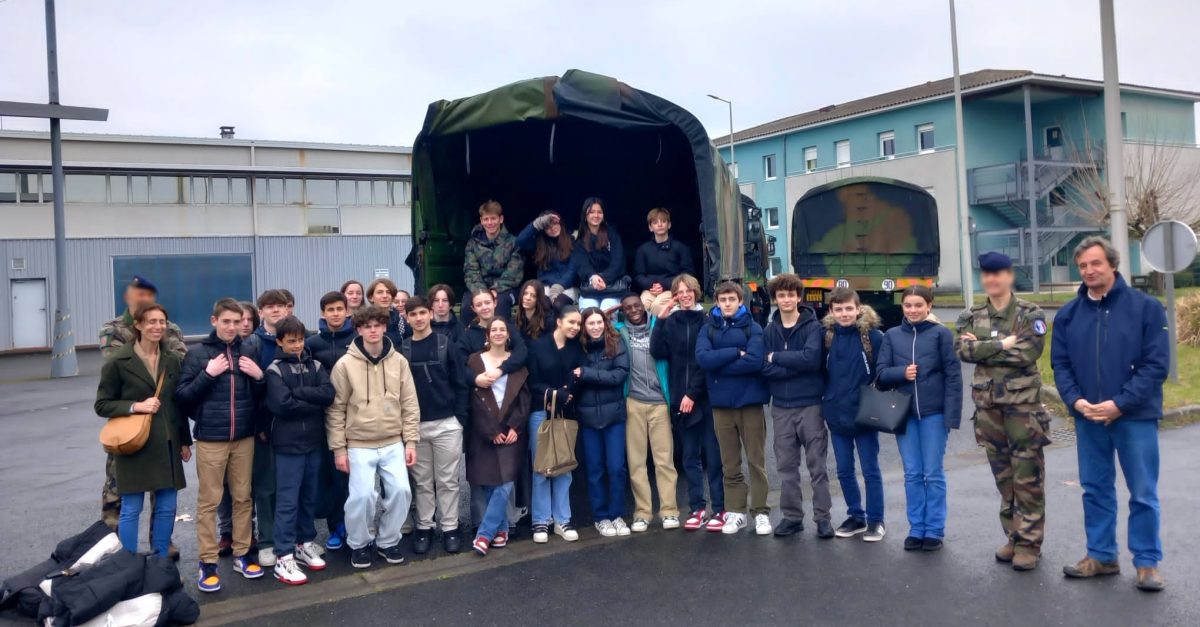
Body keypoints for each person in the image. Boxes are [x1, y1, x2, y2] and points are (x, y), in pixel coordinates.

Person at [1052, 237, 1169, 592]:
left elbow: (1156, 365)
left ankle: (1147, 563)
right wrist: (1075, 401)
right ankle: (1101, 555)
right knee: (1095, 489)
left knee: (1143, 492)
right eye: (1083, 265)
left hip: (1133, 416)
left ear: (1113, 265)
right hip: (1089, 418)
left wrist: (1120, 403)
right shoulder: (1069, 314)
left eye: (1096, 263)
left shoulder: (1146, 308)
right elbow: (1061, 364)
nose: (1089, 270)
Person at [955, 252, 1049, 571]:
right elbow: (963, 350)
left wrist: (986, 348)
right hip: (988, 407)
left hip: (1023, 409)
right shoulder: (971, 314)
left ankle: (1029, 544)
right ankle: (1013, 535)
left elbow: (1029, 351)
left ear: (1009, 276)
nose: (992, 279)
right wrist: (1003, 344)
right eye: (987, 274)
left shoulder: (1029, 312)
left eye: (998, 273)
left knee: (1028, 476)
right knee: (1004, 477)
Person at [176, 298, 266, 593]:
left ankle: (242, 554)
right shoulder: (198, 354)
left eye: (236, 322)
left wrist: (259, 377)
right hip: (212, 440)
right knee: (209, 502)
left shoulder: (250, 349)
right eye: (225, 321)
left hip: (244, 437)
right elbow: (183, 396)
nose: (232, 327)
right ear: (214, 321)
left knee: (243, 498)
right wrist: (208, 374)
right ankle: (208, 563)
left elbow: (259, 395)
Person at [97, 275, 187, 558]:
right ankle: (127, 565)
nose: (157, 327)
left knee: (166, 507)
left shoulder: (172, 359)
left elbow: (176, 403)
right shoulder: (118, 360)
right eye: (151, 322)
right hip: (134, 441)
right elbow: (102, 404)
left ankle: (160, 561)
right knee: (130, 509)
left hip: (166, 442)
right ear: (137, 325)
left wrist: (184, 440)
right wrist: (135, 407)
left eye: (161, 322)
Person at [326, 305, 421, 570]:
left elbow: (410, 403)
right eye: (367, 326)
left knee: (402, 492)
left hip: (392, 441)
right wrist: (339, 450)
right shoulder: (345, 365)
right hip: (358, 444)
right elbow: (335, 410)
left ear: (384, 327)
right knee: (362, 497)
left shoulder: (399, 362)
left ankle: (388, 541)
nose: (373, 330)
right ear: (358, 329)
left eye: (377, 325)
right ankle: (359, 544)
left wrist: (410, 440)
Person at [877, 285, 962, 553]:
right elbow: (880, 375)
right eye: (908, 305)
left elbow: (953, 377)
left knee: (932, 473)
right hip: (905, 414)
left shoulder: (941, 335)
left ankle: (934, 529)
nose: (913, 310)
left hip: (933, 414)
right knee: (912, 473)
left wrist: (952, 415)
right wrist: (901, 373)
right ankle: (916, 528)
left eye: (918, 305)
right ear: (902, 307)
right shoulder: (891, 336)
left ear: (929, 306)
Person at [695, 282, 771, 536]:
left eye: (732, 299)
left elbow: (754, 362)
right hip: (721, 405)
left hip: (750, 403)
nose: (727, 303)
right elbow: (703, 359)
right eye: (723, 299)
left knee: (756, 461)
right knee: (729, 463)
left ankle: (760, 512)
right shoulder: (708, 329)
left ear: (740, 301)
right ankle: (736, 511)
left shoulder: (754, 327)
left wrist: (721, 364)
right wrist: (734, 353)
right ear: (716, 302)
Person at [651, 274, 725, 532]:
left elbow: (704, 361)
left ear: (696, 292)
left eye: (688, 290)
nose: (684, 295)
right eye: (679, 292)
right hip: (679, 400)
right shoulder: (670, 321)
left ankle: (719, 509)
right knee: (689, 457)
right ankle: (697, 508)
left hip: (702, 397)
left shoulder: (707, 321)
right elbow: (657, 352)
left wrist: (692, 394)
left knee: (713, 456)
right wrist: (660, 320)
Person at [264, 316, 335, 585]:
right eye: (291, 340)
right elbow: (282, 405)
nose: (296, 345)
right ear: (280, 341)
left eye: (300, 339)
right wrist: (311, 397)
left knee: (309, 496)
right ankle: (283, 555)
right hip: (287, 446)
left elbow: (328, 394)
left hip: (314, 442)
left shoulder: (315, 364)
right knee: (287, 501)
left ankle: (303, 542)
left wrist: (301, 395)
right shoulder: (274, 370)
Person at [761, 273, 832, 539]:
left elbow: (812, 360)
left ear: (799, 297)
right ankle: (792, 517)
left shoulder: (814, 328)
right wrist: (793, 365)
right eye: (781, 295)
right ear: (775, 299)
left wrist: (777, 357)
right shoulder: (769, 330)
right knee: (786, 467)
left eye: (791, 294)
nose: (787, 299)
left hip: (810, 406)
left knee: (817, 467)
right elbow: (764, 368)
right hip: (781, 407)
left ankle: (823, 518)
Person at [401, 296, 468, 555]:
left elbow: (460, 383)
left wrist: (459, 419)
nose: (418, 318)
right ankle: (425, 527)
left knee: (449, 480)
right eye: (412, 314)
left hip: (447, 423)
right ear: (407, 318)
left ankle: (450, 527)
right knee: (422, 482)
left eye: (421, 313)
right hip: (416, 426)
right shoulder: (403, 350)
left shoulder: (446, 345)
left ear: (430, 314)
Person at [820, 287, 886, 543]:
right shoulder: (827, 337)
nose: (844, 313)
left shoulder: (873, 337)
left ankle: (876, 520)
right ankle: (855, 516)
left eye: (849, 308)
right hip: (836, 414)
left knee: (870, 470)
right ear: (831, 311)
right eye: (839, 309)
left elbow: (883, 372)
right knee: (844, 471)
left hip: (865, 415)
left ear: (858, 309)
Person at [467, 319, 532, 556]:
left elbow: (524, 398)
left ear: (508, 335)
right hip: (484, 430)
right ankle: (502, 528)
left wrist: (515, 426)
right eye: (493, 329)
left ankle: (484, 535)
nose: (497, 333)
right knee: (488, 481)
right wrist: (490, 430)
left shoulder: (516, 362)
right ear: (487, 334)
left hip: (511, 430)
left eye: (502, 330)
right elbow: (473, 399)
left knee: (505, 483)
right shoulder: (475, 361)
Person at [616, 294, 678, 532]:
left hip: (660, 402)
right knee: (636, 462)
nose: (633, 310)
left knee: (664, 461)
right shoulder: (619, 331)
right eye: (627, 307)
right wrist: (610, 312)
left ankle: (669, 511)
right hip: (633, 401)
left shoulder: (659, 326)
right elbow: (592, 325)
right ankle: (642, 513)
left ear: (644, 306)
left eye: (636, 306)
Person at [525, 306, 585, 543]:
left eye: (578, 324)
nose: (576, 327)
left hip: (566, 413)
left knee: (564, 466)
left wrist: (566, 394)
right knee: (541, 466)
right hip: (540, 412)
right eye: (571, 322)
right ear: (559, 321)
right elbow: (533, 381)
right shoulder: (538, 346)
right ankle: (540, 520)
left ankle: (563, 519)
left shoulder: (576, 348)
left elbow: (577, 378)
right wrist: (553, 394)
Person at [304, 291, 357, 551]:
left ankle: (356, 525)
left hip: (357, 418)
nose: (335, 314)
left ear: (348, 311)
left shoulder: (357, 339)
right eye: (330, 310)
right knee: (331, 477)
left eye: (339, 309)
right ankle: (336, 527)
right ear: (323, 313)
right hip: (323, 419)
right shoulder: (312, 343)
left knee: (354, 478)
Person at [242, 289, 291, 568]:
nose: (275, 311)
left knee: (292, 485)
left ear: (288, 309)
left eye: (279, 306)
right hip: (263, 427)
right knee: (266, 486)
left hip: (294, 426)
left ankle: (293, 538)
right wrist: (259, 423)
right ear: (261, 312)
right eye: (268, 307)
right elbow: (250, 391)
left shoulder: (299, 339)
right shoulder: (251, 344)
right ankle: (268, 541)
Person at [574, 307, 632, 537]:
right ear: (584, 327)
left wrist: (587, 374)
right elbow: (573, 376)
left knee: (617, 468)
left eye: (599, 322)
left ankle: (616, 514)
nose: (596, 327)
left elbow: (619, 375)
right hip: (588, 418)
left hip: (614, 416)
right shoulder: (578, 348)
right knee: (595, 470)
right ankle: (600, 517)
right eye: (591, 323)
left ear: (605, 323)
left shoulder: (616, 344)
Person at [462, 200, 524, 321]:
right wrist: (482, 292)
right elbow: (471, 271)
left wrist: (495, 290)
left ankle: (501, 337)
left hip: (505, 289)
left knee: (500, 305)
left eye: (493, 218)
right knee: (466, 306)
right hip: (480, 287)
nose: (490, 223)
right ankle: (469, 338)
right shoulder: (472, 243)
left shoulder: (514, 242)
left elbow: (513, 273)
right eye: (486, 219)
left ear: (501, 219)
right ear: (481, 221)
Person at [459, 288, 529, 385]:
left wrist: (501, 369)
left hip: (509, 387)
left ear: (495, 303)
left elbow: (522, 351)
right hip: (480, 392)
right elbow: (458, 364)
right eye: (479, 305)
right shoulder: (467, 336)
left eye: (487, 303)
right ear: (473, 308)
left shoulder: (508, 329)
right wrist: (474, 378)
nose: (484, 307)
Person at [634, 207, 694, 317]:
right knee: (642, 305)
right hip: (650, 290)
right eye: (655, 222)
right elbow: (638, 275)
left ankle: (659, 332)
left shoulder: (680, 248)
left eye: (663, 221)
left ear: (669, 225)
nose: (660, 224)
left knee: (657, 305)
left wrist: (664, 285)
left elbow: (688, 273)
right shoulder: (643, 250)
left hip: (672, 289)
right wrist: (652, 285)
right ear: (650, 227)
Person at [573, 197, 626, 310]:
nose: (596, 215)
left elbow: (618, 262)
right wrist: (593, 277)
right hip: (591, 288)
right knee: (590, 312)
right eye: (591, 212)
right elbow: (582, 265)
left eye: (599, 212)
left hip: (612, 286)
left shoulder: (612, 234)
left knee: (606, 309)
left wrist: (604, 279)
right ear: (585, 215)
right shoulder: (580, 240)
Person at [517, 211, 578, 306]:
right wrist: (537, 223)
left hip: (568, 287)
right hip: (545, 287)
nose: (552, 228)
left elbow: (573, 270)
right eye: (547, 226)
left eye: (555, 223)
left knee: (558, 304)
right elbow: (520, 242)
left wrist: (559, 286)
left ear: (561, 223)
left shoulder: (573, 240)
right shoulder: (539, 244)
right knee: (544, 306)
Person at [366, 278, 410, 343]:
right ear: (371, 297)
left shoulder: (400, 320)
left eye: (388, 292)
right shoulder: (364, 319)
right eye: (380, 292)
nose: (385, 296)